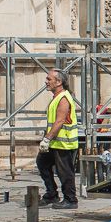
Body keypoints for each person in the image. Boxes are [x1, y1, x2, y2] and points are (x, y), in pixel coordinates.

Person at [38, 68, 79, 209]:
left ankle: (71, 200)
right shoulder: (57, 97)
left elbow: (60, 121)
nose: (46, 81)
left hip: (64, 143)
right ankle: (51, 195)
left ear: (59, 82)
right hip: (55, 142)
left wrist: (47, 139)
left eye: (49, 79)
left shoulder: (63, 98)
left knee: (65, 172)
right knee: (42, 163)